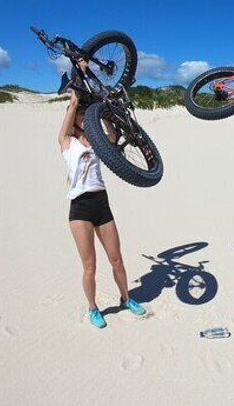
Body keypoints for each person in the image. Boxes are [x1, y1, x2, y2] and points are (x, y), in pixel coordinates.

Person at [60, 82, 146, 329]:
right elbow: (72, 109)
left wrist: (104, 112)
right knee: (90, 266)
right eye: (81, 115)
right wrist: (75, 97)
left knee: (116, 259)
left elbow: (112, 137)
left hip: (102, 204)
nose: (84, 117)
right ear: (74, 118)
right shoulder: (67, 142)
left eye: (87, 115)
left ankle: (126, 298)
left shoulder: (96, 142)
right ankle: (93, 308)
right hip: (80, 208)